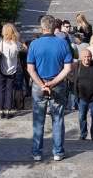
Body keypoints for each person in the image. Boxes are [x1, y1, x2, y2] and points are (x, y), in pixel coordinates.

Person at [26, 14, 73, 161]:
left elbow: (30, 69)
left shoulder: (34, 44)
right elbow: (68, 69)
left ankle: (37, 152)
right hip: (57, 84)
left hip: (39, 85)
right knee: (58, 119)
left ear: (41, 28)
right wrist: (53, 83)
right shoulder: (63, 44)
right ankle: (58, 152)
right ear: (54, 28)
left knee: (38, 119)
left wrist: (42, 85)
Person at [0, 23, 26, 119]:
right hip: (12, 69)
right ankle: (9, 111)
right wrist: (23, 43)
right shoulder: (17, 44)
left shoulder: (1, 43)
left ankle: (1, 110)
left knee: (1, 90)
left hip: (1, 69)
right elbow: (24, 49)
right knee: (10, 90)